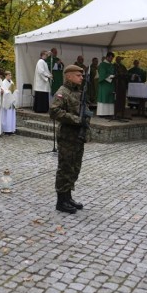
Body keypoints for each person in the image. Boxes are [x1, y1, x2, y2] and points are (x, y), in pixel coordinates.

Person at [49, 64, 91, 214]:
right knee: (65, 168)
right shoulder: (63, 92)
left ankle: (68, 196)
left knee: (75, 167)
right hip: (67, 136)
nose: (81, 78)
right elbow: (54, 111)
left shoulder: (78, 92)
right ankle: (61, 201)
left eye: (82, 75)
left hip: (78, 136)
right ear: (69, 76)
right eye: (78, 75)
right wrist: (75, 119)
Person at [96, 52, 116, 117]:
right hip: (104, 84)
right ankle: (102, 113)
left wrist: (115, 76)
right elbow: (102, 74)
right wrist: (110, 76)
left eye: (112, 58)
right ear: (107, 57)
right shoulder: (102, 64)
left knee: (110, 98)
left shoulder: (112, 65)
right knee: (104, 97)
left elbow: (114, 72)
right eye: (110, 58)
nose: (111, 59)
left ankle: (109, 113)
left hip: (111, 84)